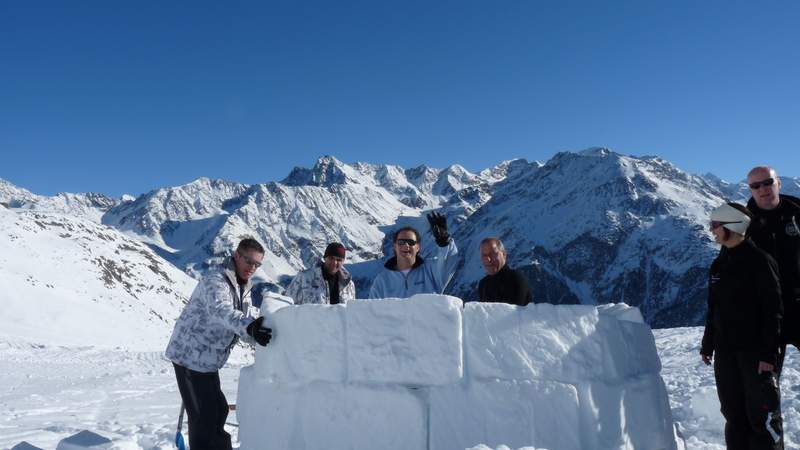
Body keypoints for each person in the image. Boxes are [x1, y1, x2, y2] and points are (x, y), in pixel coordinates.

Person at [165, 238, 273, 450]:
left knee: (218, 411)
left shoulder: (243, 285)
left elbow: (244, 318)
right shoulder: (217, 280)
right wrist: (250, 327)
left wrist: (256, 332)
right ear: (237, 256)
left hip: (207, 360)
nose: (252, 268)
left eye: (257, 264)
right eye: (249, 261)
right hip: (190, 357)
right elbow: (220, 310)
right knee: (204, 417)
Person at [700, 203, 783, 449]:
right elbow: (714, 307)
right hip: (726, 352)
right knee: (733, 415)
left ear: (732, 225)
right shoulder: (719, 263)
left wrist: (769, 354)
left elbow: (773, 311)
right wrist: (708, 344)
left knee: (761, 418)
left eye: (715, 225)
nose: (711, 230)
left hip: (755, 353)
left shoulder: (760, 261)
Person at [746, 166, 800, 375]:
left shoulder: (797, 214)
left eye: (768, 182)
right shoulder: (743, 224)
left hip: (798, 304)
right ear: (750, 189)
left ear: (778, 182)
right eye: (756, 185)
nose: (763, 189)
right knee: (764, 383)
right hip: (765, 316)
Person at [369, 212, 458, 299]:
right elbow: (372, 310)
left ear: (418, 247)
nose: (406, 245)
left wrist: (445, 241)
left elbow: (450, 260)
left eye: (411, 242)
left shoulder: (431, 271)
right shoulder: (382, 281)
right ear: (394, 247)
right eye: (401, 242)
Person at [285, 242, 356, 305]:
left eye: (339, 260)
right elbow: (287, 303)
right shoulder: (304, 278)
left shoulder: (348, 285)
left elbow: (350, 313)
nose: (334, 263)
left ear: (343, 261)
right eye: (331, 258)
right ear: (325, 258)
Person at [477, 237, 532, 305]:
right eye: (484, 255)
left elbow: (514, 313)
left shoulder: (515, 279)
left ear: (504, 254)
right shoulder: (483, 284)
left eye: (493, 254)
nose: (488, 259)